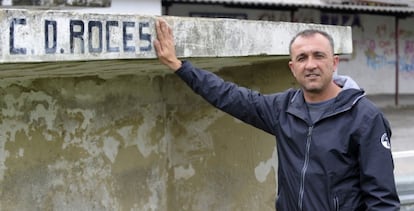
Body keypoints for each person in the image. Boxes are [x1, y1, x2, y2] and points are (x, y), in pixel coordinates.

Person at [154, 19, 400, 210]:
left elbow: (383, 201)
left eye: (319, 56)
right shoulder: (283, 109)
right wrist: (179, 66)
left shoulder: (364, 118)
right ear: (293, 68)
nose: (310, 65)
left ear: (334, 63)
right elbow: (228, 96)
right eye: (302, 58)